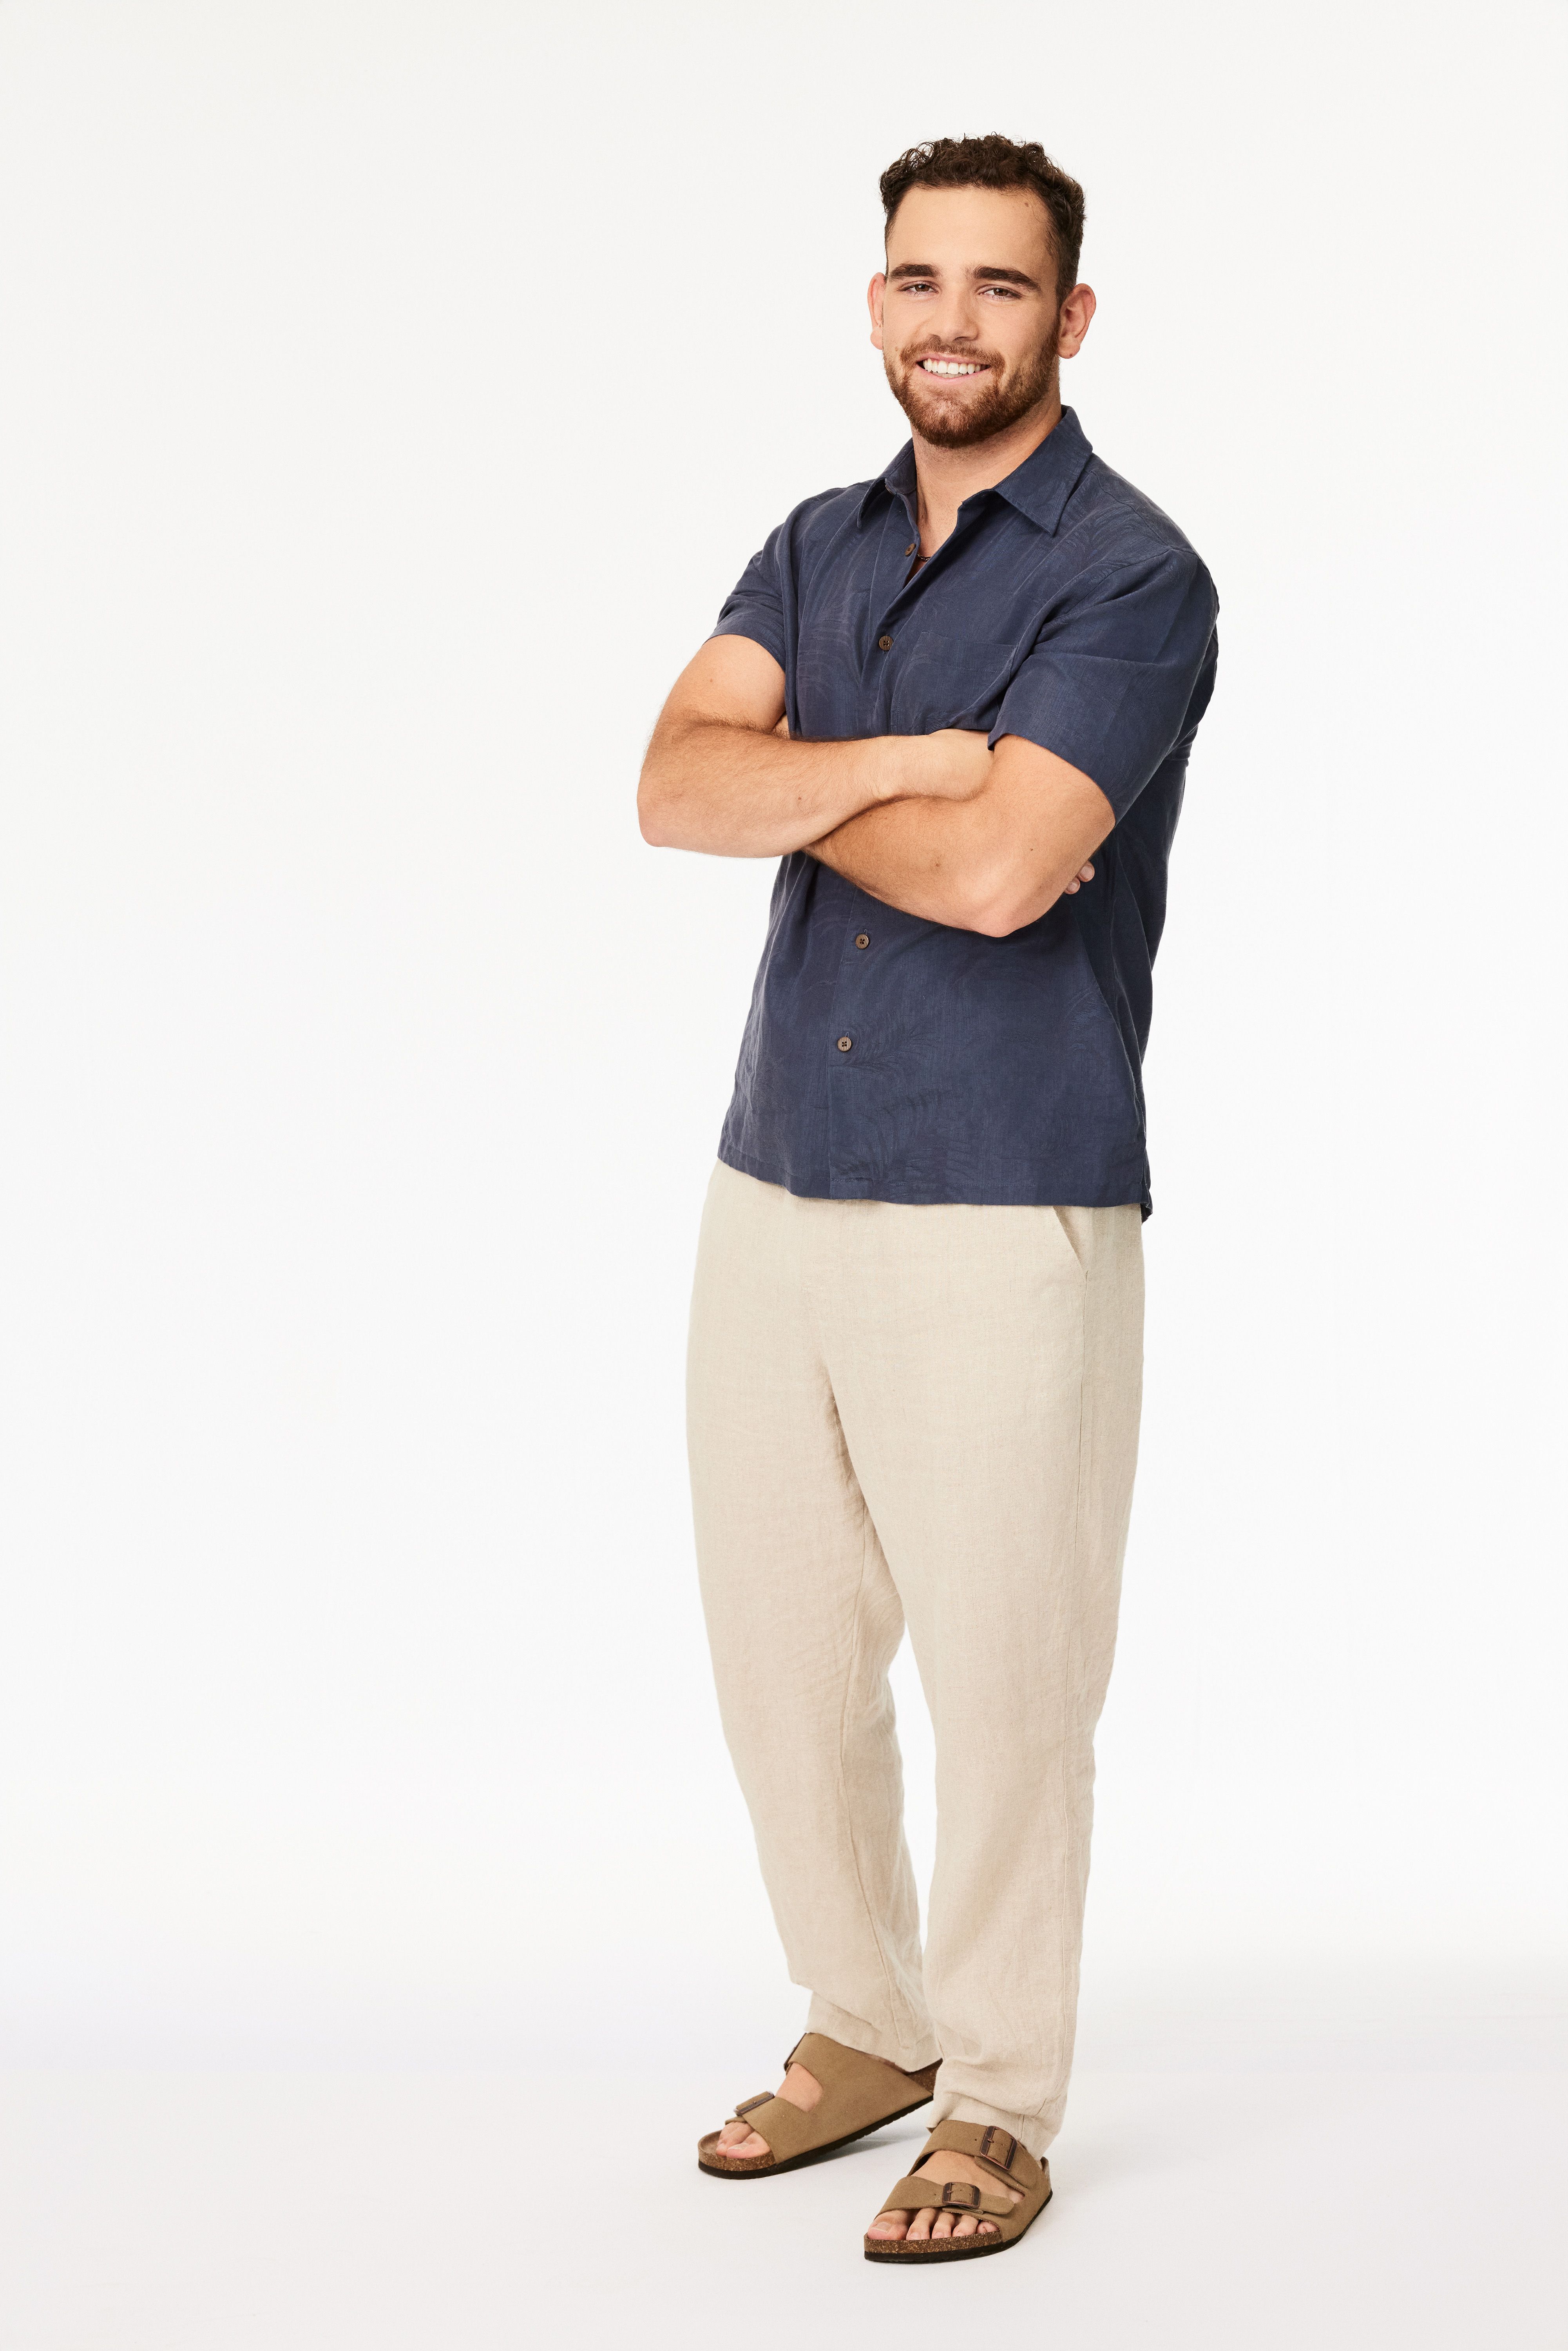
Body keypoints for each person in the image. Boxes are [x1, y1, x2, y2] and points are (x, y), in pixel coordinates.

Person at [638, 133, 1218, 2265]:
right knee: (782, 1653)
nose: (947, 323)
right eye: (913, 281)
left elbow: (1004, 880)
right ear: (871, 303)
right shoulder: (812, 543)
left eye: (994, 287)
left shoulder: (1130, 576)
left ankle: (995, 2097)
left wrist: (812, 786)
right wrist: (913, 760)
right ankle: (862, 2027)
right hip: (773, 1171)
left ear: (1065, 320)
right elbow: (668, 786)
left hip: (1003, 1193)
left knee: (1005, 1676)